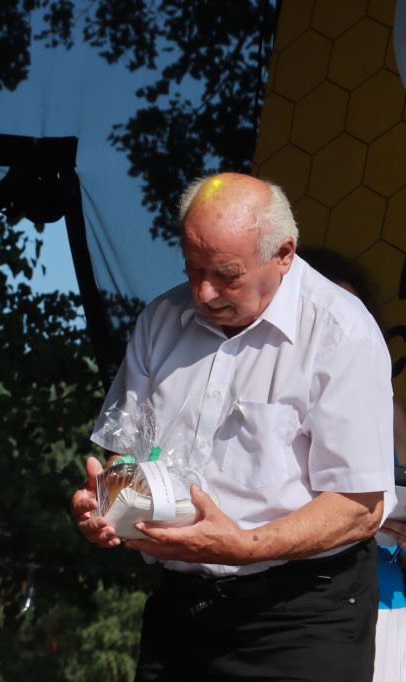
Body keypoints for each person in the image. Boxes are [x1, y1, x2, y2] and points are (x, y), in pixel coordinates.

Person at [70, 172, 395, 682]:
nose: (203, 291)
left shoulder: (341, 330)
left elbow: (360, 507)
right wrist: (108, 503)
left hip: (302, 615)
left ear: (284, 254)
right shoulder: (161, 320)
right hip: (181, 613)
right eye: (192, 268)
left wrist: (245, 547)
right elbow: (129, 456)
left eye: (226, 274)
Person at [296, 246, 406, 682]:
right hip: (294, 615)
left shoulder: (393, 413)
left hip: (388, 611)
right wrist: (351, 518)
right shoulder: (267, 406)